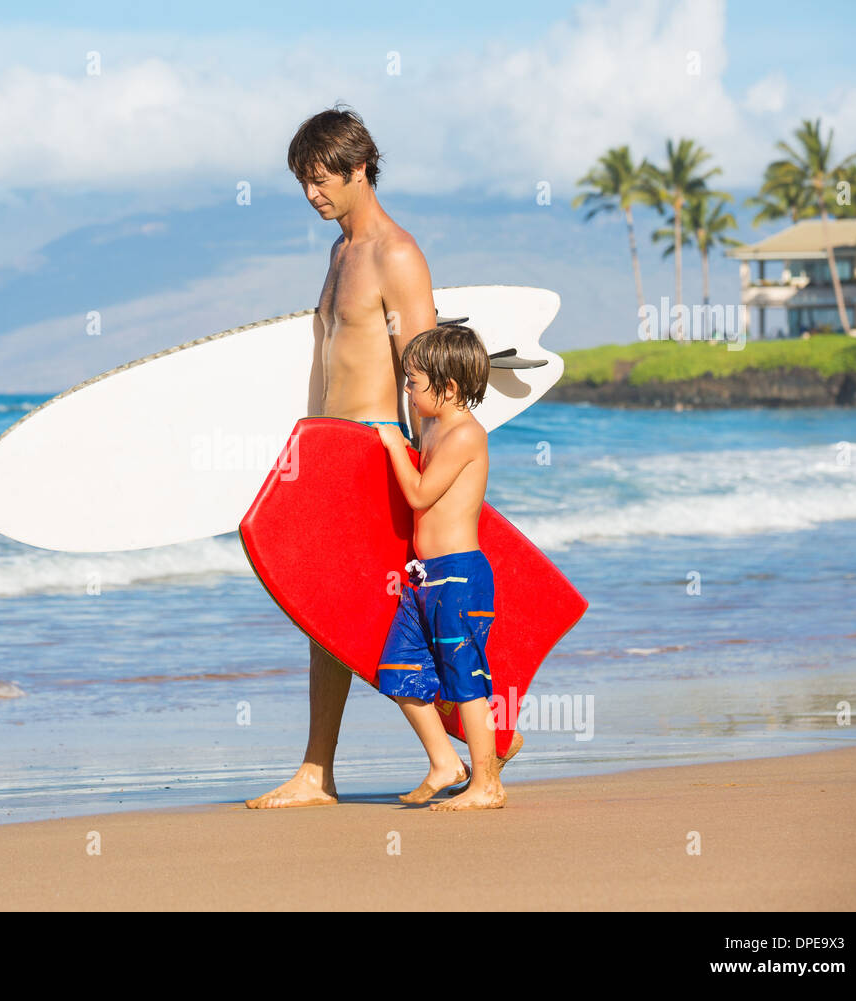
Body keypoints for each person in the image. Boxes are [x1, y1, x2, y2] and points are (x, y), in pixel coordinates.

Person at [245, 105, 521, 809]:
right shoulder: (339, 253)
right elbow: (323, 358)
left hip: (376, 455)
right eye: (303, 182)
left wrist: (436, 476)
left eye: (321, 179)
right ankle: (324, 771)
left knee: (369, 610)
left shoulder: (396, 254)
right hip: (331, 454)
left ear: (359, 167)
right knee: (323, 611)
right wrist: (302, 453)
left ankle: (457, 751)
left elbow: (427, 378)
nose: (312, 194)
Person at [374, 325, 510, 810]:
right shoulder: (431, 425)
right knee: (397, 670)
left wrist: (392, 446)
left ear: (448, 388)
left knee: (464, 682)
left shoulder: (465, 433)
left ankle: (487, 783)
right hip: (423, 578)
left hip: (459, 578)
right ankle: (445, 764)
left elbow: (418, 493)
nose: (406, 391)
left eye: (413, 382)